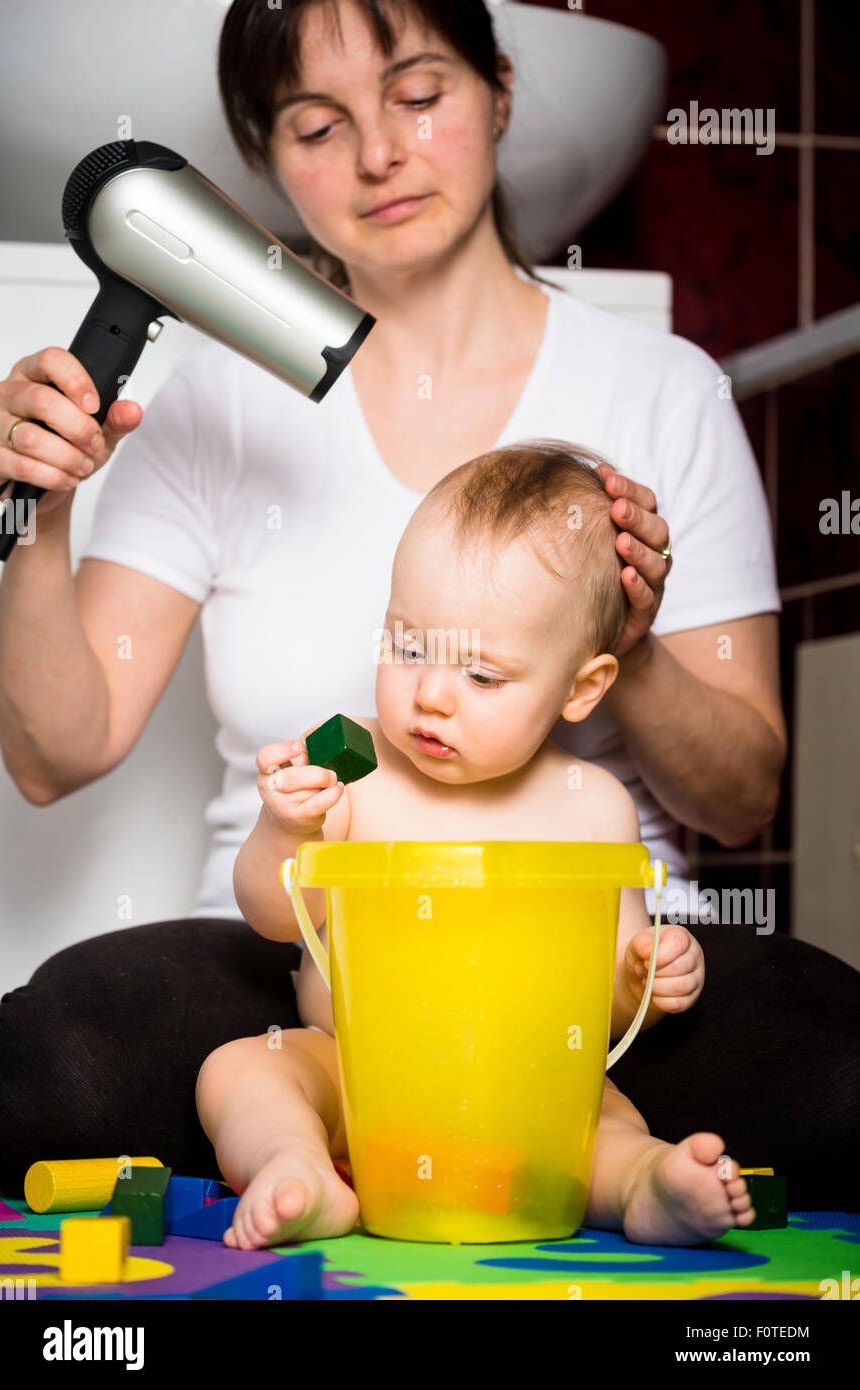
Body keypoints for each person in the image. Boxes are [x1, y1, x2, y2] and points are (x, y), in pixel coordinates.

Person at [0, 0, 856, 1207]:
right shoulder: (214, 401)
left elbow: (742, 794)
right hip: (313, 968)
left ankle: (624, 1167)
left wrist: (630, 639)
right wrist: (37, 514)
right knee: (53, 1062)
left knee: (841, 1076)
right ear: (266, 157)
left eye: (418, 95)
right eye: (316, 122)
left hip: (583, 978)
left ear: (498, 91)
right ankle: (310, 1151)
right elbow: (53, 754)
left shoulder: (664, 390)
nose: (378, 155)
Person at [197, 441, 757, 1250]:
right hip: (353, 1071)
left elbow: (606, 998)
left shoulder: (589, 806)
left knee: (599, 1115)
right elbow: (275, 916)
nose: (430, 694)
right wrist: (286, 825)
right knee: (241, 1071)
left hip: (524, 1086)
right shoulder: (347, 759)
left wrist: (650, 971)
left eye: (483, 677)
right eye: (409, 644)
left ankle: (643, 1184)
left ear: (581, 688)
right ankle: (298, 1167)